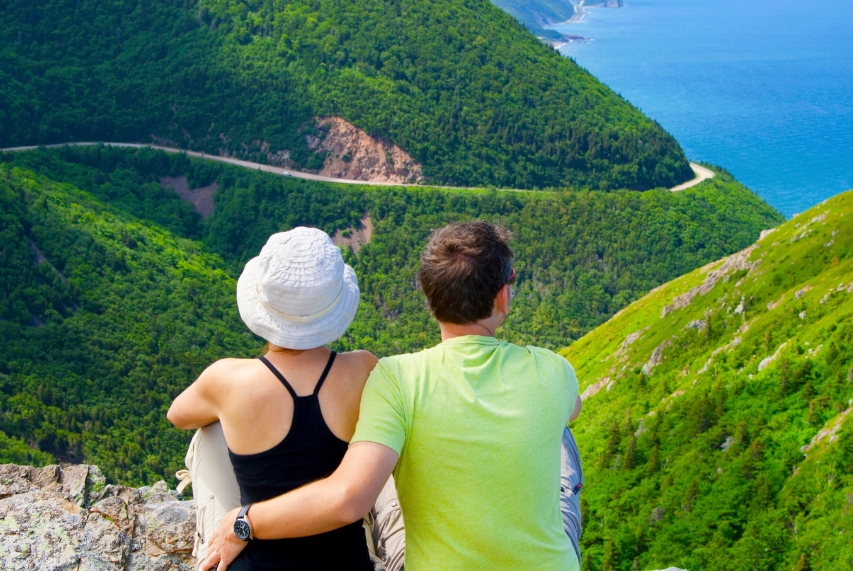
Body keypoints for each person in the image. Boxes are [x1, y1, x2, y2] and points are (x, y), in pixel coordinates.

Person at [201, 221, 583, 571]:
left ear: (431, 301)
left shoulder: (397, 379)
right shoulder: (553, 370)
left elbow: (348, 499)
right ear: (503, 297)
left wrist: (243, 522)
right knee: (562, 442)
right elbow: (573, 411)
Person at [168, 227, 378, 571]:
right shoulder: (363, 369)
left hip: (251, 558)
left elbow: (178, 415)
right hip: (345, 562)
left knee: (208, 433)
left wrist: (235, 410)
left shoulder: (227, 379)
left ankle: (212, 544)